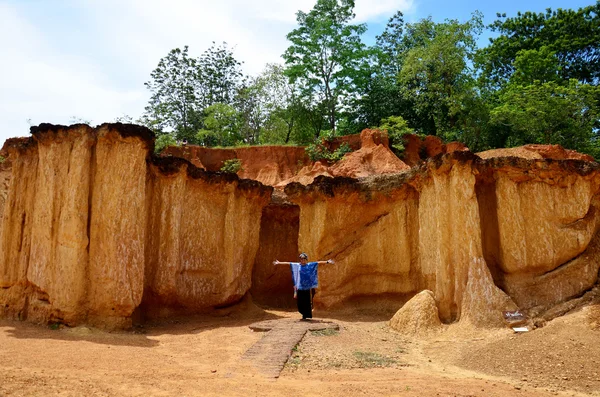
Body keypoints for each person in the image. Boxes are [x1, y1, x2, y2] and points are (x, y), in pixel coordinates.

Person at [273, 253, 335, 320]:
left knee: (307, 302)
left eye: (304, 259)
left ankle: (305, 316)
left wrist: (327, 262)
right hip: (299, 287)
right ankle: (302, 312)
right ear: (300, 260)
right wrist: (279, 263)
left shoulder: (309, 265)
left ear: (306, 260)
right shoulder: (297, 266)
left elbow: (318, 263)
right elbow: (288, 263)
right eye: (301, 259)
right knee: (300, 303)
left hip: (307, 287)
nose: (303, 260)